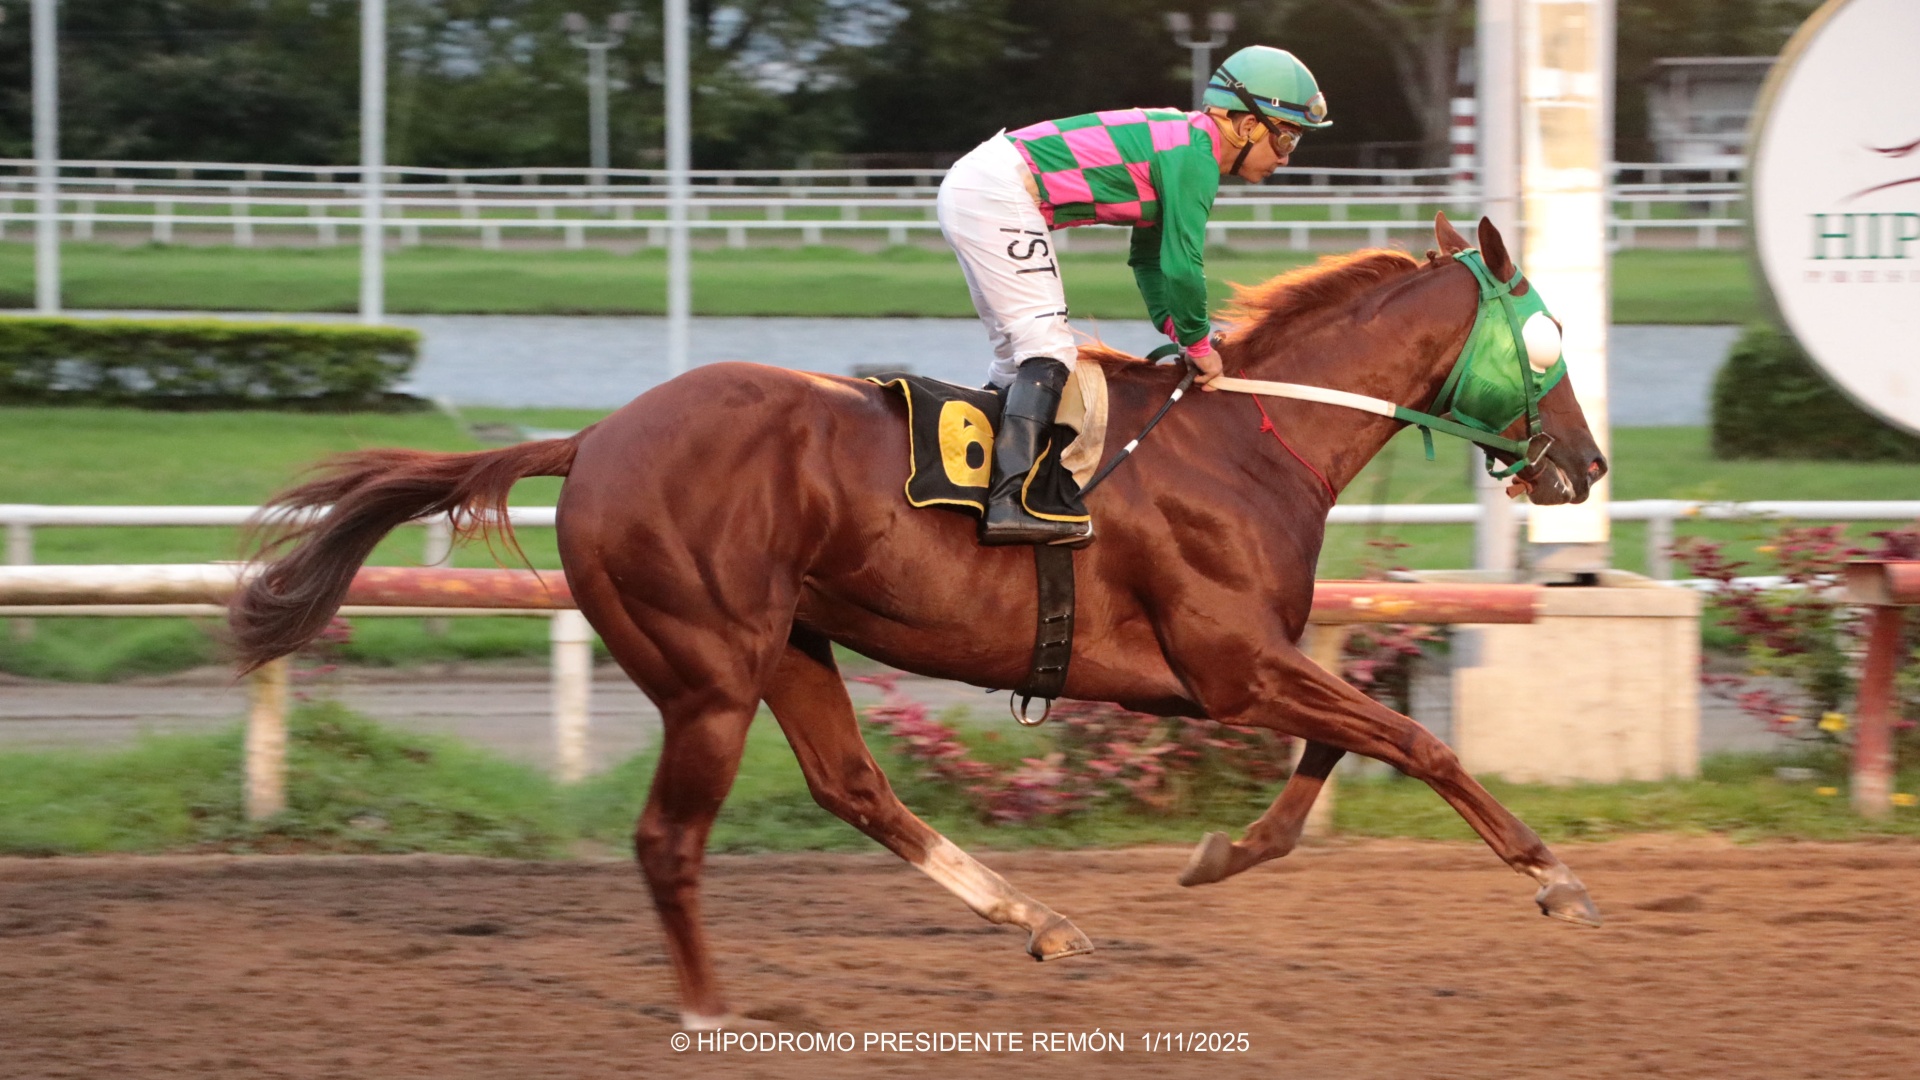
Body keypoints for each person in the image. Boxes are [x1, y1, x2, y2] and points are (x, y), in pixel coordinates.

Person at [935, 45, 1332, 546]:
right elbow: (1183, 268)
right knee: (1048, 350)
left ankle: (974, 479)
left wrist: (1175, 329)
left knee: (1018, 358)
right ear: (1246, 125)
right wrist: (1198, 343)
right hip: (995, 189)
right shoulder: (1194, 157)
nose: (1286, 156)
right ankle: (1008, 502)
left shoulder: (1183, 143)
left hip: (981, 184)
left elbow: (1147, 260)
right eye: (1286, 137)